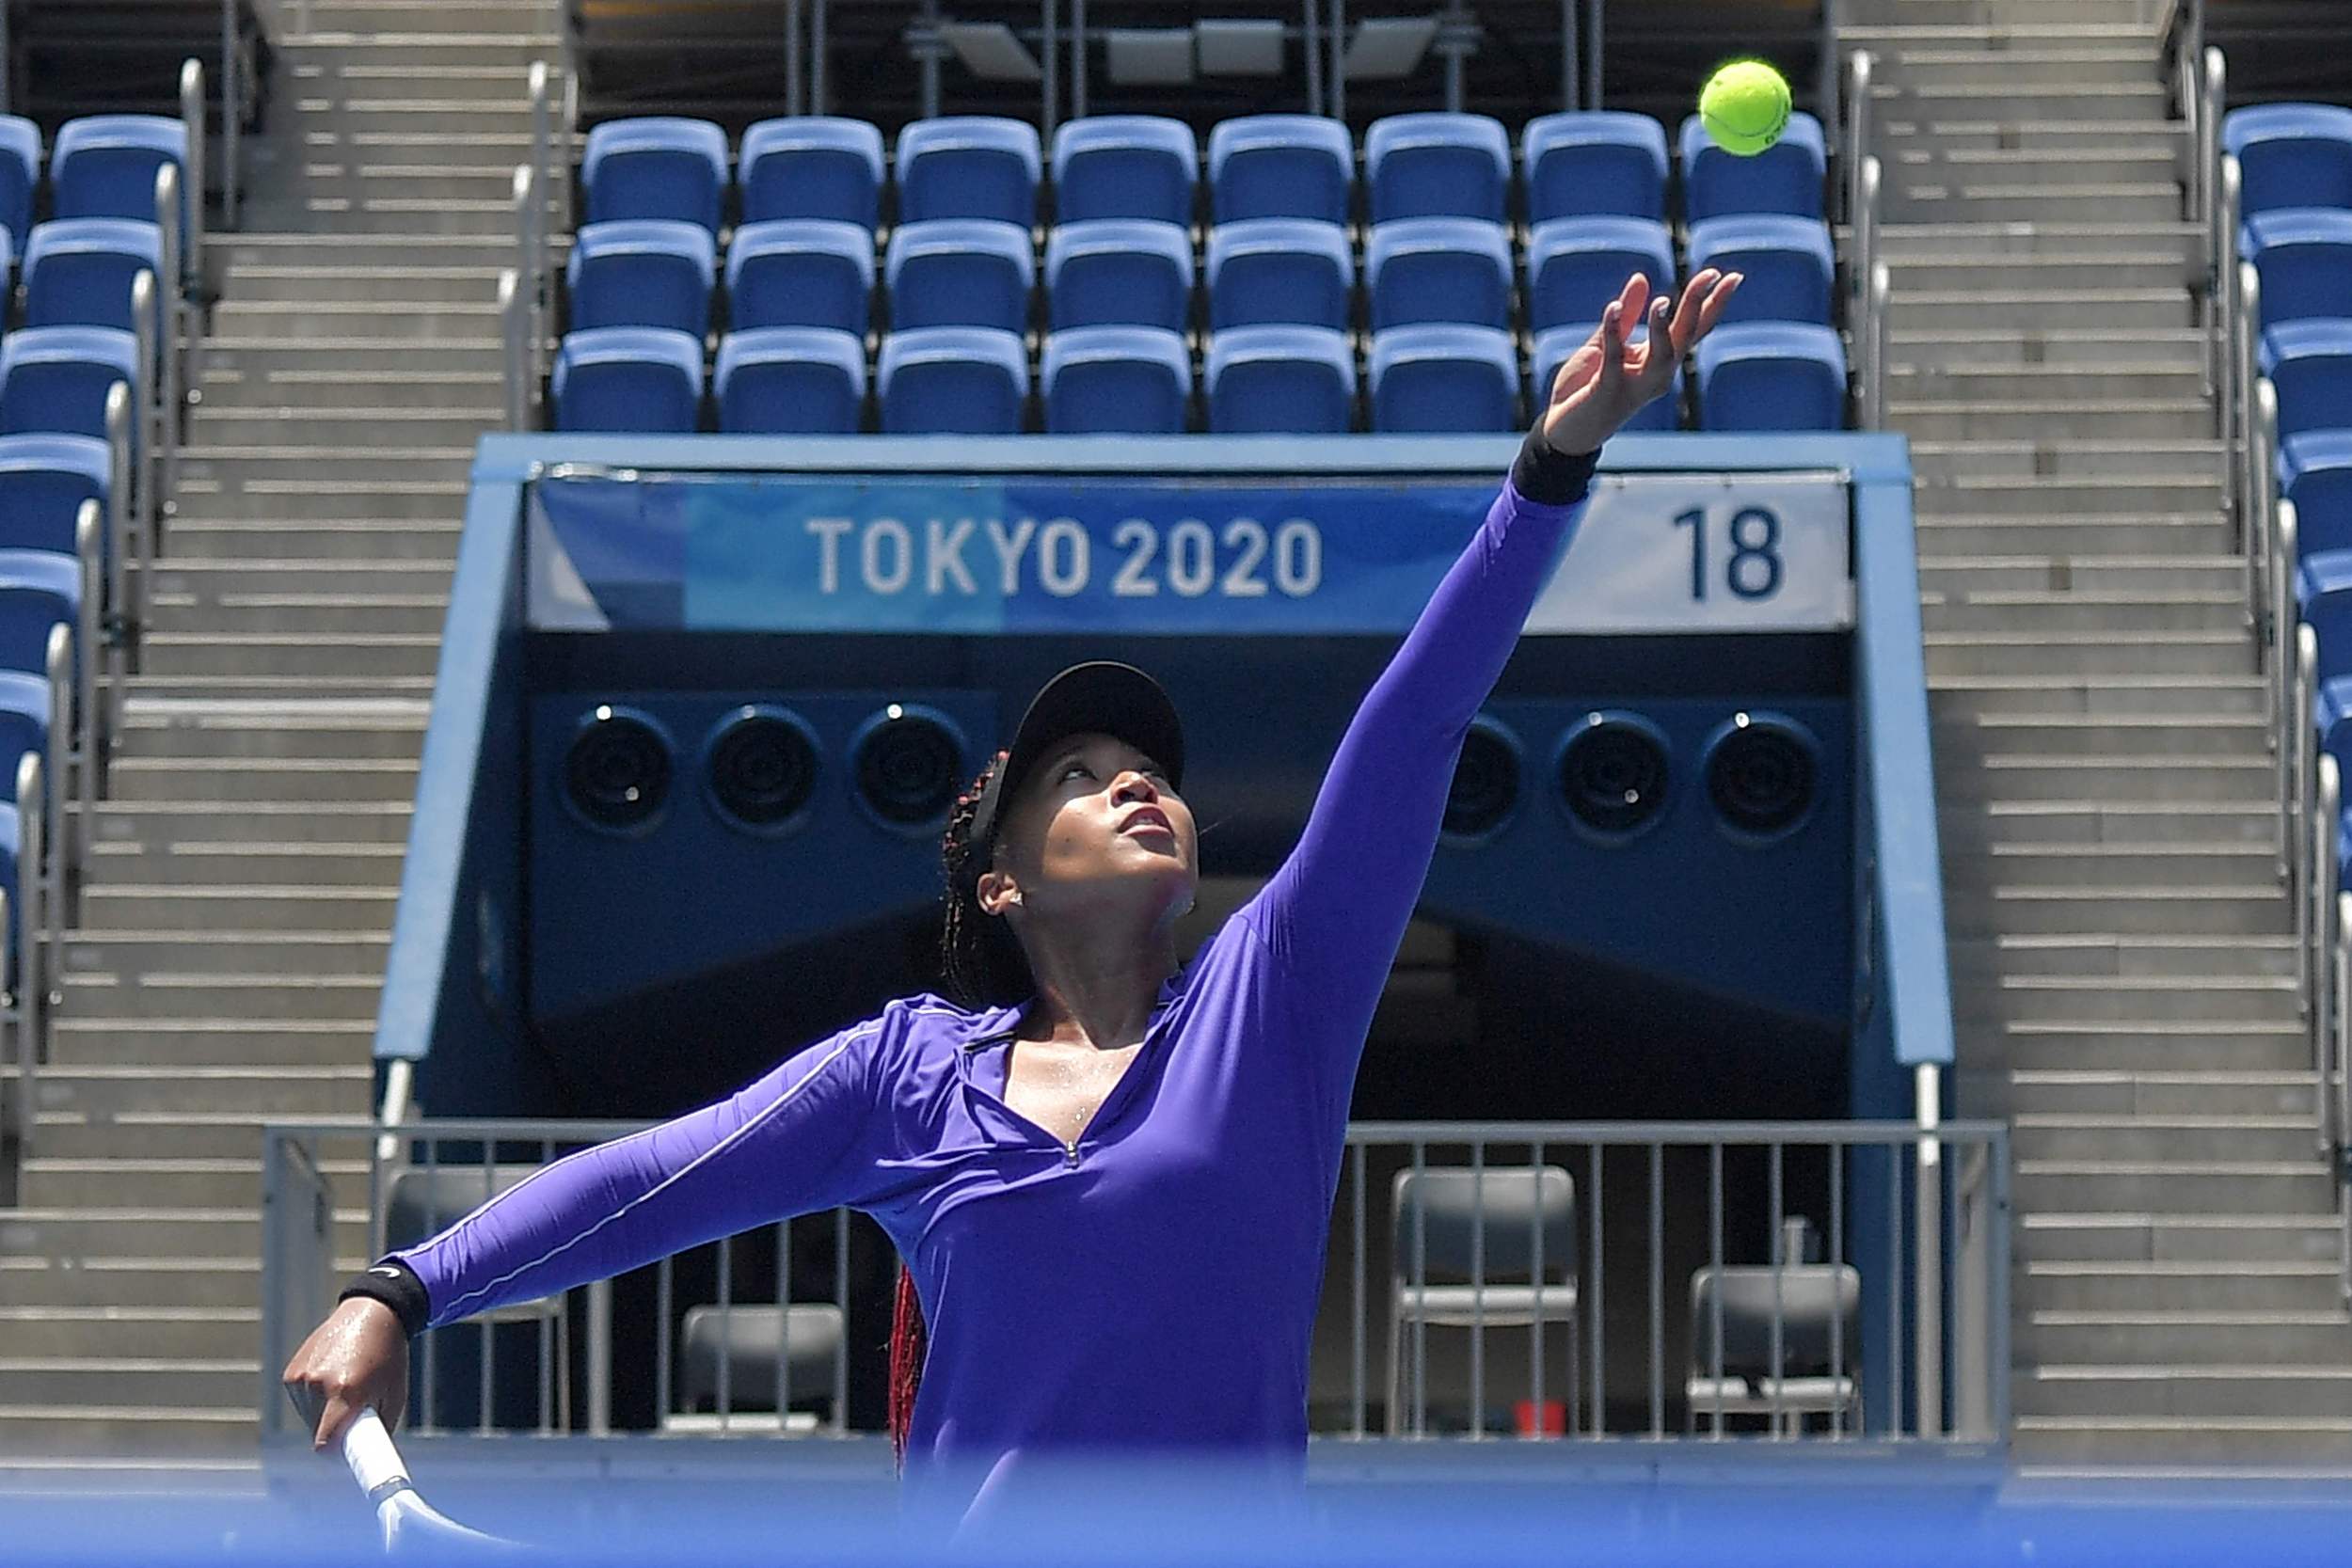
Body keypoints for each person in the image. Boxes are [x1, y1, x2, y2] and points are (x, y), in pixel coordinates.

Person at [281, 268, 1741, 1529]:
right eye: (1080, 780)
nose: (1137, 785)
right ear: (1002, 883)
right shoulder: (903, 1074)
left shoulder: (1274, 998)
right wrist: (400, 1291)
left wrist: (1552, 464)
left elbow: (1415, 721)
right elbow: (650, 1182)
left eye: (1150, 773)